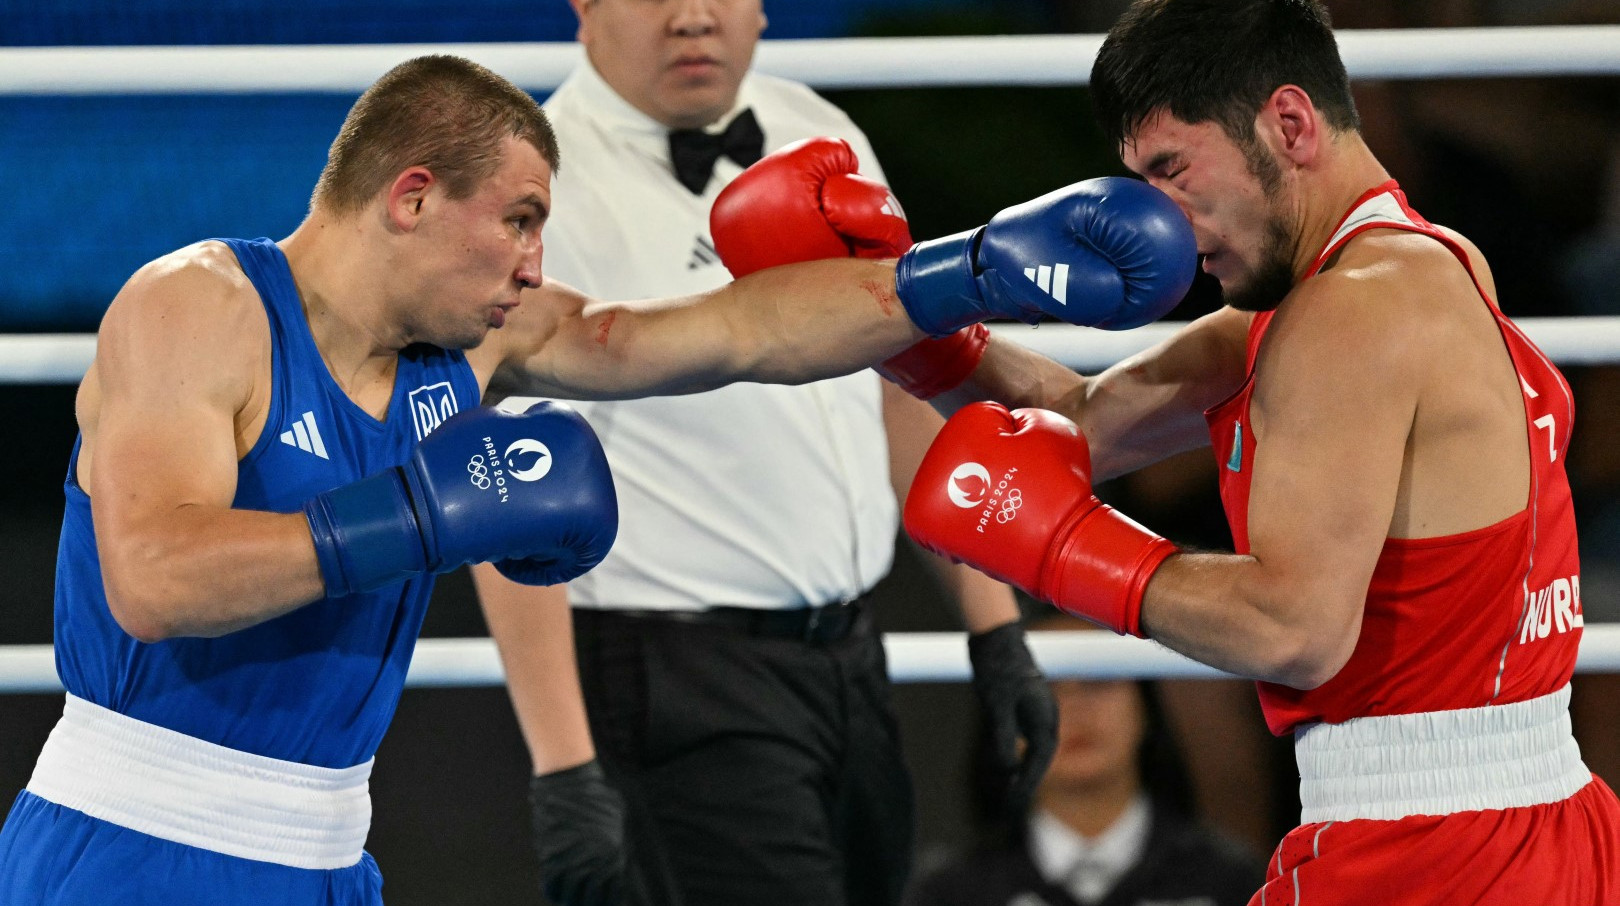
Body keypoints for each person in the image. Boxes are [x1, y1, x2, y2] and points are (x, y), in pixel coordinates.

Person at [0, 48, 1202, 905]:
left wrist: (956, 279)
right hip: (135, 841)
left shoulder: (473, 347)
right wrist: (417, 514)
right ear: (411, 196)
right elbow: (152, 578)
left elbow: (734, 333)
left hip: (327, 849)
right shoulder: (197, 307)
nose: (536, 262)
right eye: (519, 220)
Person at [839, 1, 1620, 902]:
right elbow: (1076, 417)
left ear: (1289, 123)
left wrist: (1061, 548)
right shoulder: (1414, 267)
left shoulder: (1350, 311)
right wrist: (917, 325)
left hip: (1427, 844)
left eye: (1171, 170)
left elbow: (1293, 627)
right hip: (1538, 818)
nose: (1159, 224)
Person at [468, 3, 1057, 905]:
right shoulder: (538, 189)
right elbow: (508, 493)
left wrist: (995, 626)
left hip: (853, 656)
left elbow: (901, 375)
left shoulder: (819, 129)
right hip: (677, 680)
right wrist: (566, 769)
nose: (693, 17)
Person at [906, 612, 1264, 906]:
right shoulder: (949, 893)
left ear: (1146, 706)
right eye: (1040, 689)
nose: (1072, 709)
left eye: (1098, 679)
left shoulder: (1233, 882)